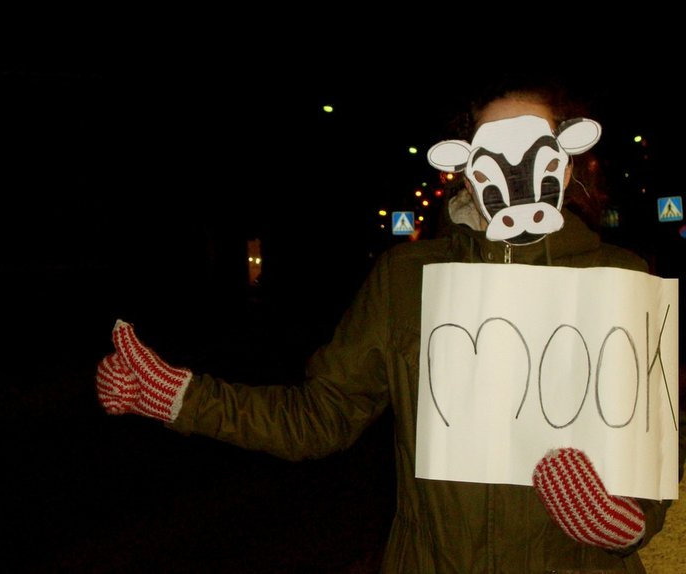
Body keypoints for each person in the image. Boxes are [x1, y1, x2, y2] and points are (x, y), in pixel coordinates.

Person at [96, 78, 682, 573]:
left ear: (568, 161)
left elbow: (655, 443)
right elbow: (321, 416)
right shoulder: (407, 279)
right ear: (466, 170)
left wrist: (625, 522)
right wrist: (181, 398)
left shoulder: (621, 278)